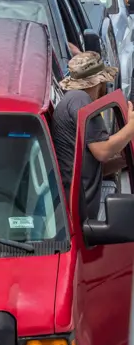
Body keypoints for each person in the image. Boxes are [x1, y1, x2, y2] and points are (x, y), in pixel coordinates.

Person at [51, 52, 134, 222]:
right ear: (100, 82)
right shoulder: (82, 101)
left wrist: (122, 161)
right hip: (79, 214)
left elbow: (91, 168)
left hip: (74, 209)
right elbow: (102, 152)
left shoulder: (72, 100)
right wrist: (131, 128)